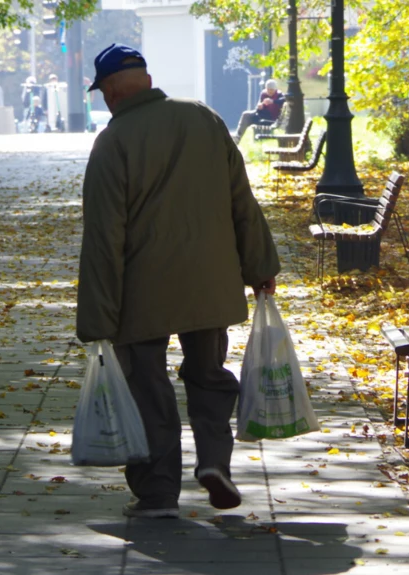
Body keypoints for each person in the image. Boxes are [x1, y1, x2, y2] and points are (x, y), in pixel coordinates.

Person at [76, 43, 280, 519]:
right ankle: (214, 462)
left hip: (141, 294)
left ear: (109, 91)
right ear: (146, 80)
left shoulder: (113, 142)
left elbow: (104, 238)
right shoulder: (205, 120)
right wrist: (260, 267)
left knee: (148, 386)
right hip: (211, 283)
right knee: (208, 375)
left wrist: (98, 319)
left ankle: (158, 492)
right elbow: (241, 204)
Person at [233, 79, 285, 143]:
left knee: (251, 117)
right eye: (268, 89)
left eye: (271, 90)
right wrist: (260, 107)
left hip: (271, 118)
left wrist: (273, 101)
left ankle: (240, 138)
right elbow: (258, 108)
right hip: (261, 116)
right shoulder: (263, 94)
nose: (269, 91)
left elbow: (283, 100)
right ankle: (238, 137)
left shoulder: (279, 94)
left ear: (275, 89)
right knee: (246, 114)